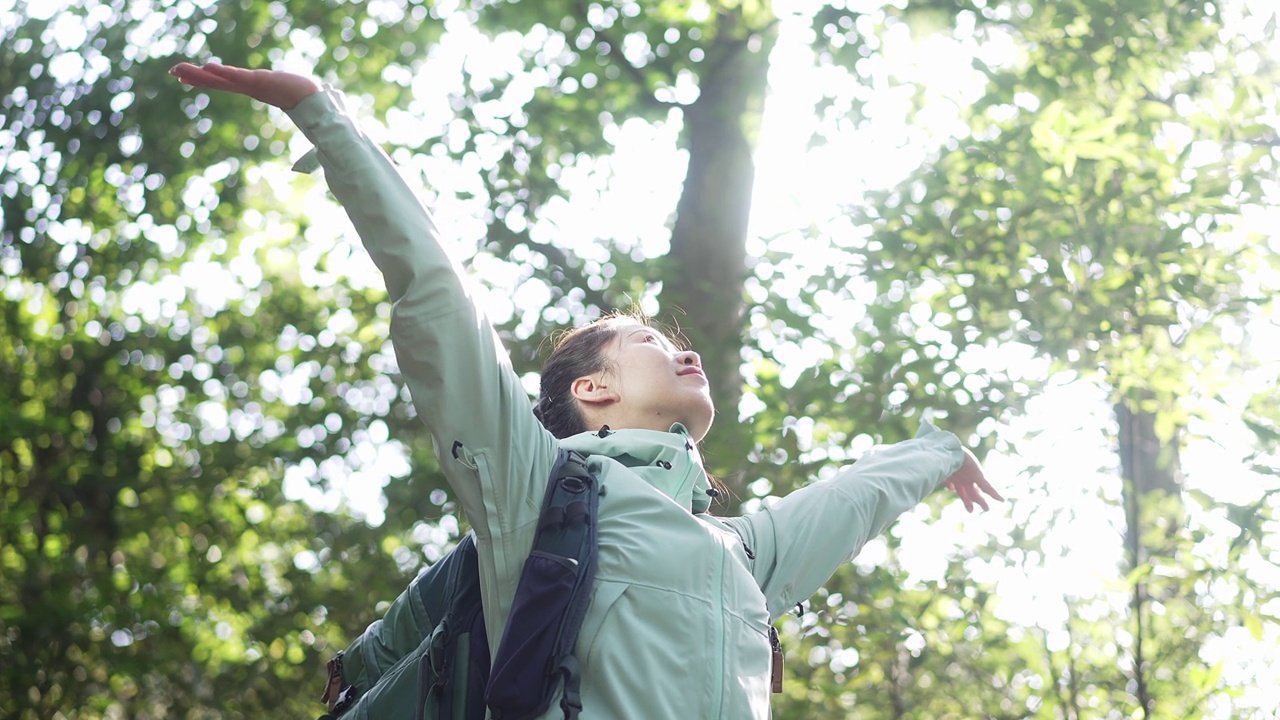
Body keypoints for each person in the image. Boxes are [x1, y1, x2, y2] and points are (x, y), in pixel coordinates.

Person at [170, 61, 1002, 719]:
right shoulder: (537, 493)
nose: (684, 353)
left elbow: (854, 498)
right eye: (650, 341)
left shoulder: (741, 554)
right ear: (593, 388)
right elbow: (438, 301)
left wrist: (940, 452)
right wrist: (325, 117)